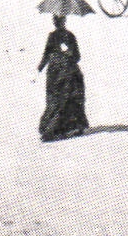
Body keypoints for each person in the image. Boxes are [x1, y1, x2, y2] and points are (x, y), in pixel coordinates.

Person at [37, 13, 89, 141]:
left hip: (57, 73)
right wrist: (68, 54)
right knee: (69, 99)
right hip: (67, 72)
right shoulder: (69, 36)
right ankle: (72, 126)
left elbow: (46, 55)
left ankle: (52, 128)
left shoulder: (52, 36)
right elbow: (77, 57)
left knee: (56, 100)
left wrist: (40, 67)